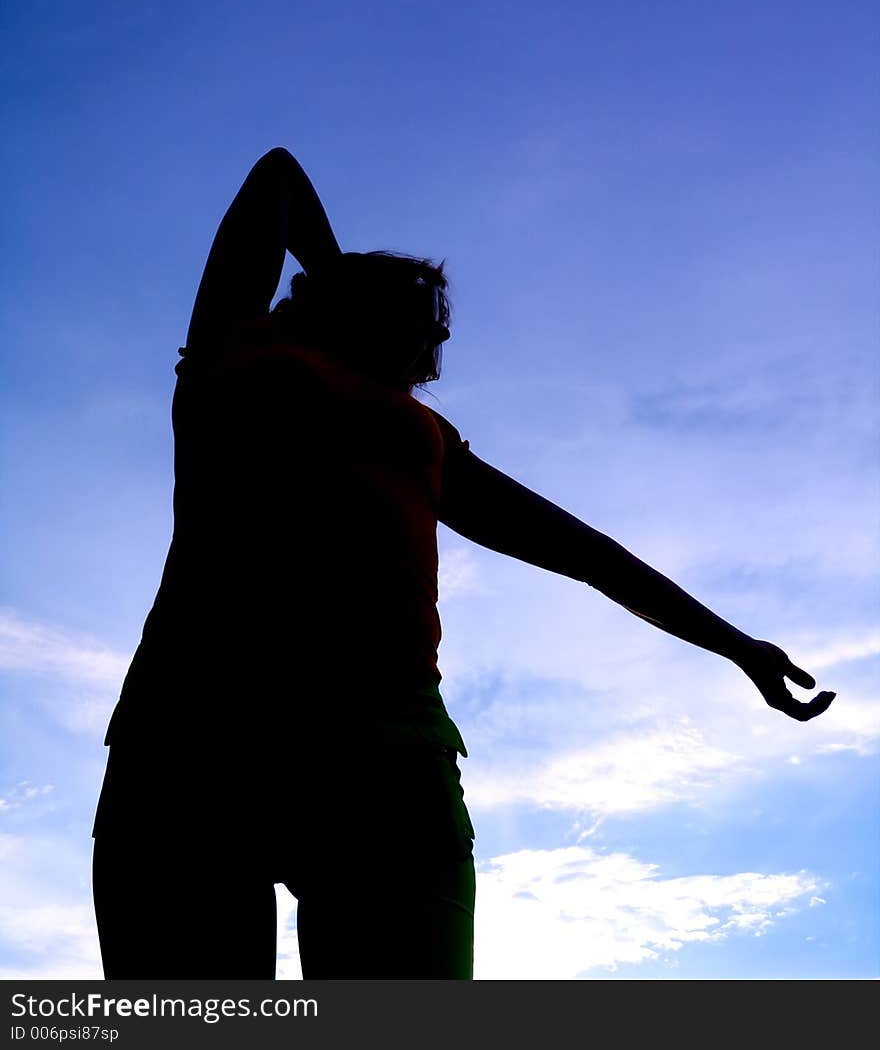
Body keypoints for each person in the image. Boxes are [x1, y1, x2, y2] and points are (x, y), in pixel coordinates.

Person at [90, 147, 836, 981]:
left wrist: (737, 645)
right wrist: (345, 280)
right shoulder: (233, 354)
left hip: (381, 760)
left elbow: (589, 553)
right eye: (425, 318)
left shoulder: (428, 440)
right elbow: (278, 182)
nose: (439, 338)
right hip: (191, 745)